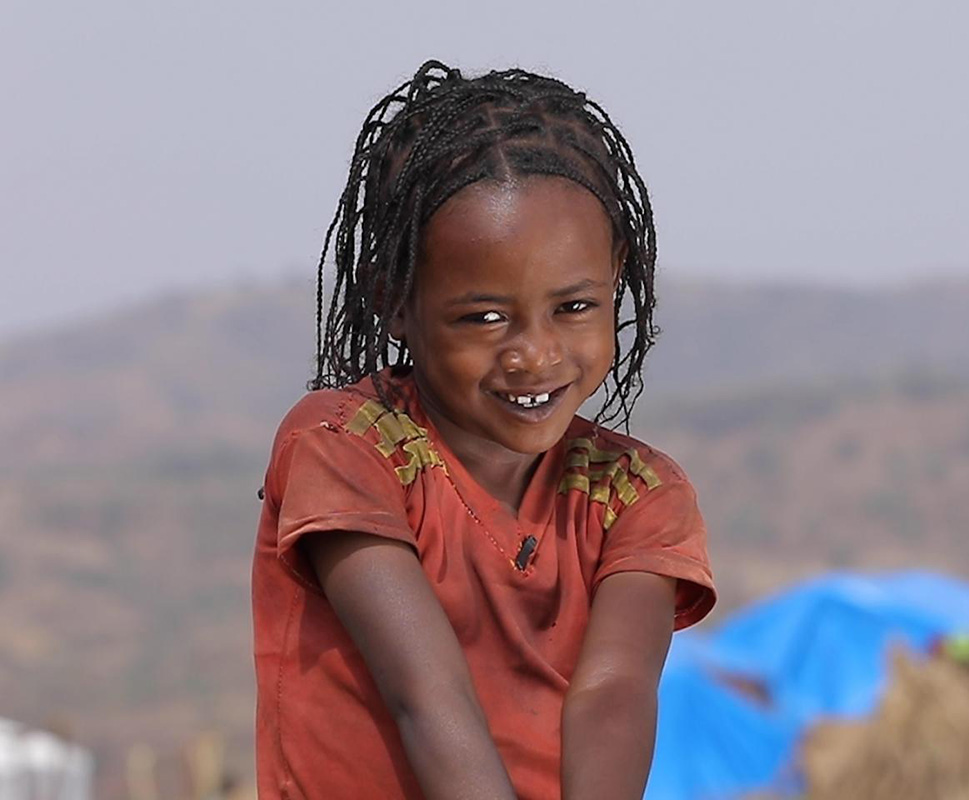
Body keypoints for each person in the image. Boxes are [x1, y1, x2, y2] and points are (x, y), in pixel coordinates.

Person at [251, 60, 716, 800]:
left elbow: (614, 696)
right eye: (485, 317)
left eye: (574, 308)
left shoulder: (637, 495)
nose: (535, 355)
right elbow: (427, 698)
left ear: (616, 276)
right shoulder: (346, 447)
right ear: (395, 301)